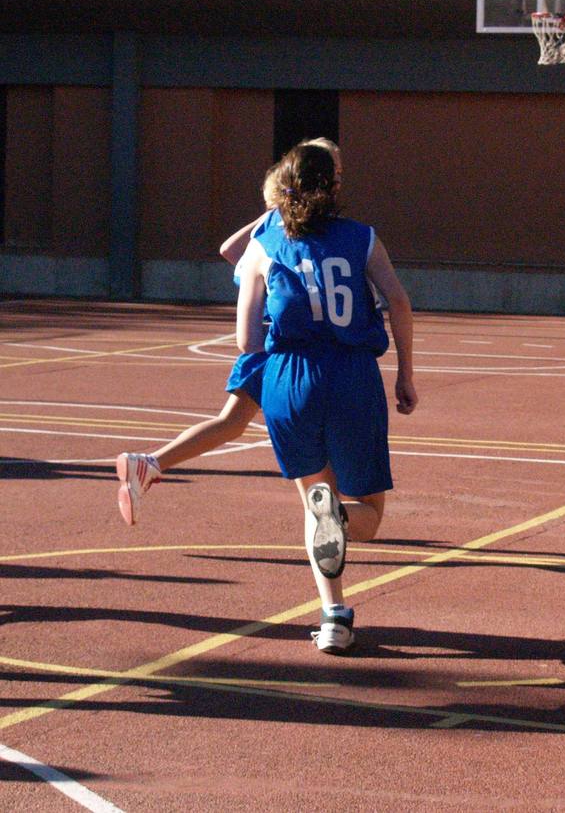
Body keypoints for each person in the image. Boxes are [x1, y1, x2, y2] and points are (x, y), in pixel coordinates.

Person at [236, 141, 417, 654]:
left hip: (289, 380)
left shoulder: (263, 241)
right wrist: (405, 372)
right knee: (366, 517)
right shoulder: (361, 238)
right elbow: (398, 301)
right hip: (351, 376)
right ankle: (336, 523)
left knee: (315, 507)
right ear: (333, 187)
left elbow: (246, 341)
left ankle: (334, 615)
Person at [115, 139, 342, 525]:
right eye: (335, 169)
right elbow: (231, 250)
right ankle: (329, 518)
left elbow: (229, 250)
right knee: (306, 427)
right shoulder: (289, 224)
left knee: (233, 423)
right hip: (279, 348)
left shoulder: (290, 222)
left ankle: (149, 464)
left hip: (276, 346)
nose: (338, 176)